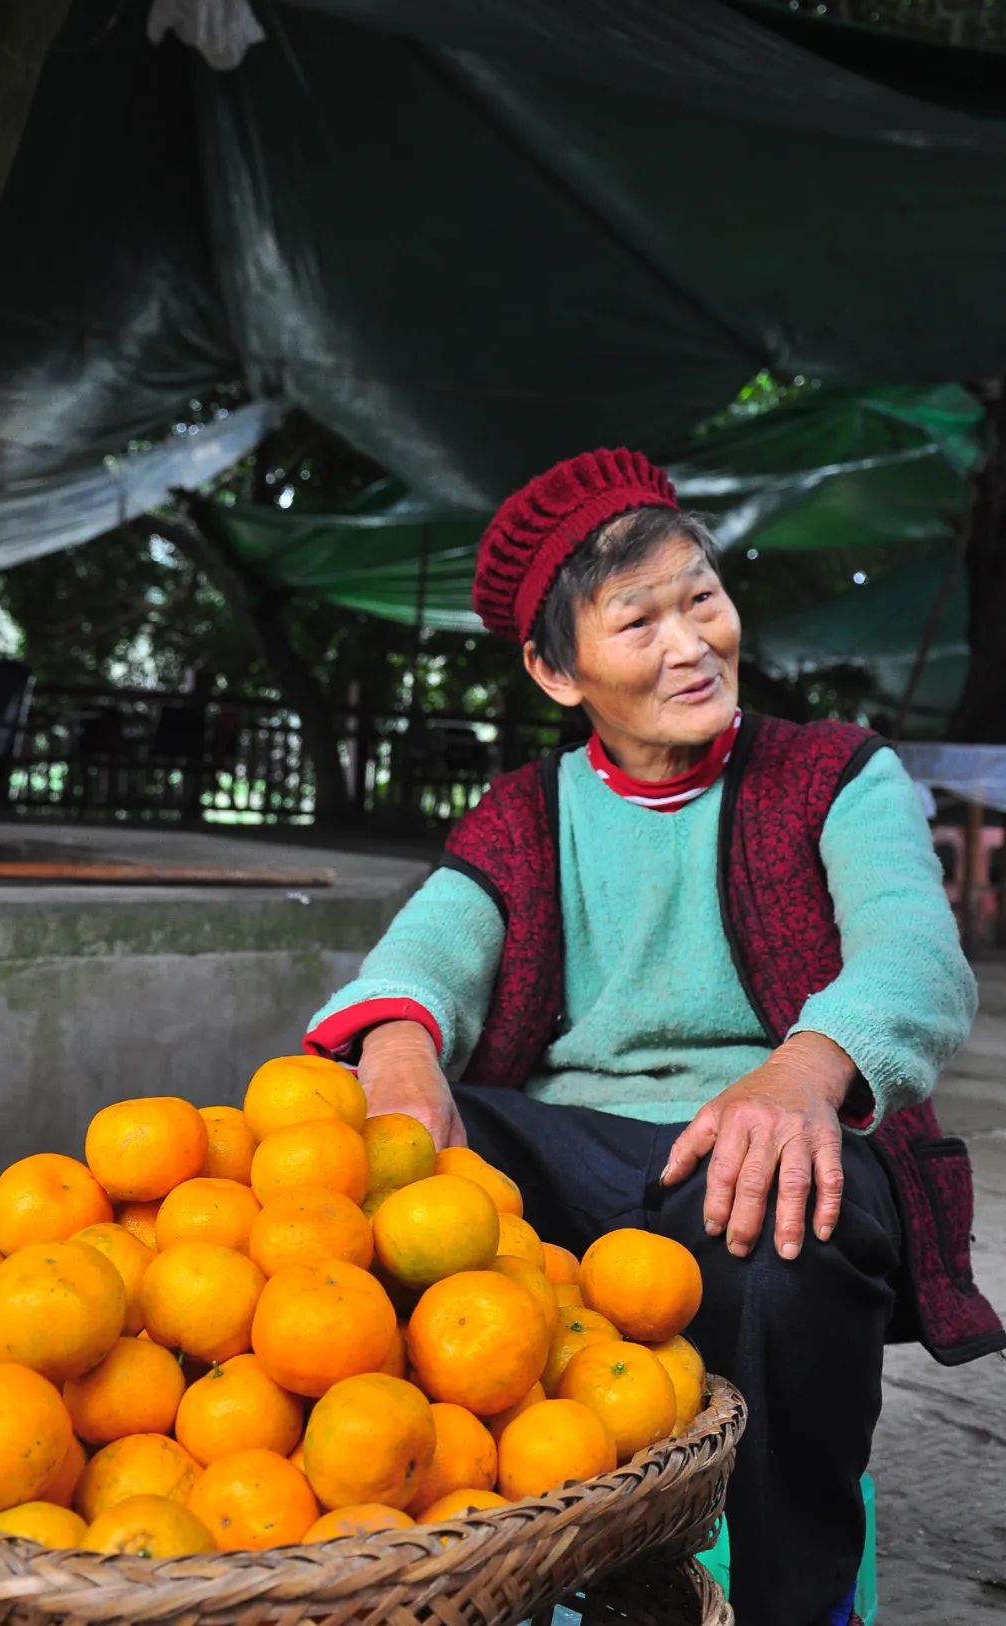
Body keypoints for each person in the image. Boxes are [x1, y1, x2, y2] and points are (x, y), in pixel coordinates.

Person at [304, 449, 1001, 1626]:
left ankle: (789, 1601)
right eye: (639, 622)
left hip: (770, 1141)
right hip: (581, 1149)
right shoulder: (524, 815)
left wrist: (805, 1069)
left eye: (703, 600)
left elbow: (916, 958)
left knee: (783, 1235)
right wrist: (399, 1049)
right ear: (555, 669)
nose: (691, 646)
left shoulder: (837, 774)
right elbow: (424, 955)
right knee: (370, 1171)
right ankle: (463, 1565)